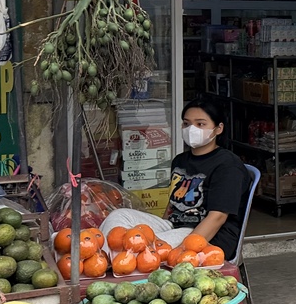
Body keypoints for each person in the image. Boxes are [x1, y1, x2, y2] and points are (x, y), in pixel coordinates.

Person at [100, 97, 253, 261]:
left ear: (218, 128)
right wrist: (159, 229)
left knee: (145, 249)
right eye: (187, 124)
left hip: (209, 236)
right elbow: (172, 205)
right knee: (119, 216)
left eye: (200, 124)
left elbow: (217, 218)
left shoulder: (228, 165)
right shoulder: (180, 161)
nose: (191, 129)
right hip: (175, 225)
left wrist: (181, 250)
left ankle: (121, 264)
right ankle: (103, 259)